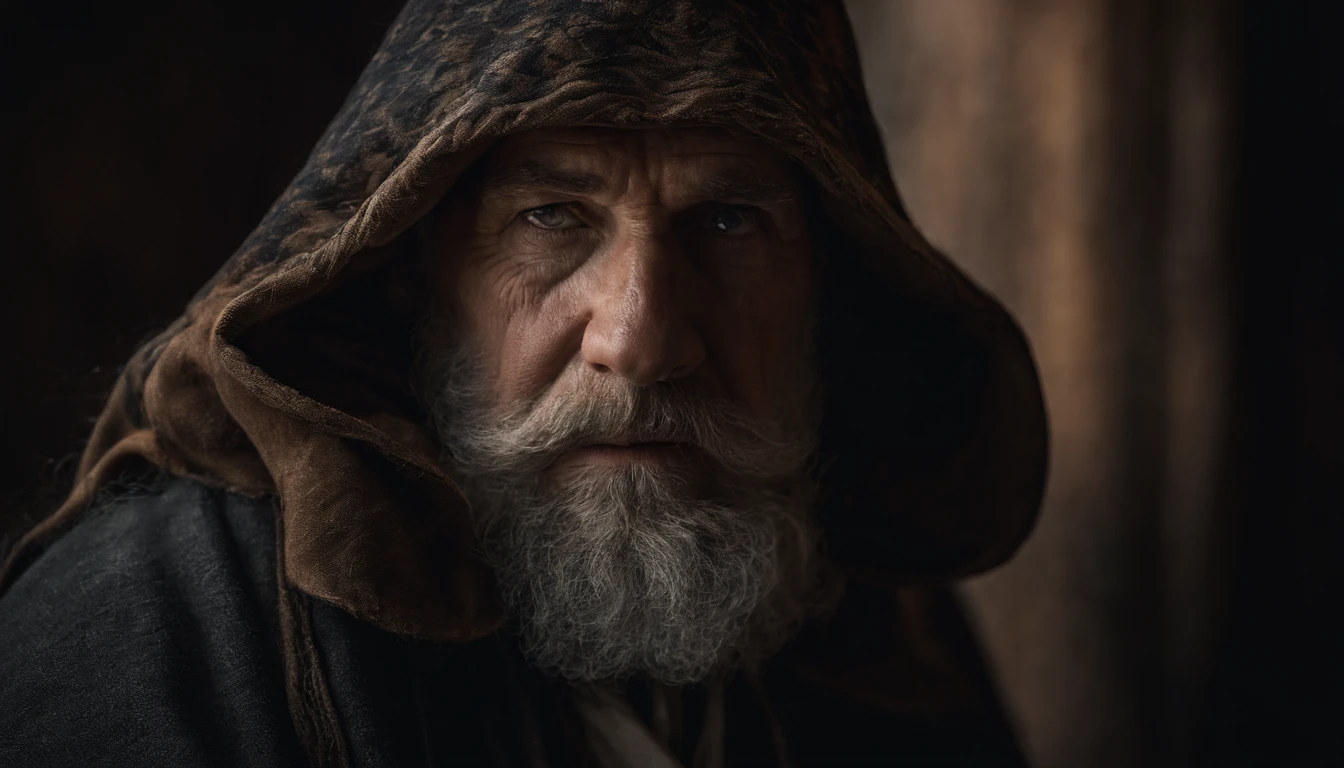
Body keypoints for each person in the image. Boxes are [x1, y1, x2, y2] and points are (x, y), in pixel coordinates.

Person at [0, 1, 1048, 766]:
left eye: (728, 223)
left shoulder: (881, 633)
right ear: (415, 272)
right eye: (553, 216)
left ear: (825, 288)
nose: (639, 339)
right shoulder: (166, 632)